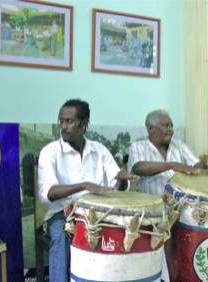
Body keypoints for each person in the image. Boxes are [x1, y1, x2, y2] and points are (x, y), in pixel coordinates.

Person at [38, 99, 137, 282]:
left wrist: (122, 180)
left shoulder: (99, 151)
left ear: (84, 124)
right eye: (61, 121)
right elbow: (46, 194)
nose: (63, 126)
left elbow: (118, 188)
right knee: (61, 236)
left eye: (69, 121)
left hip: (99, 214)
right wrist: (83, 186)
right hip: (64, 215)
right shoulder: (50, 152)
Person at [127, 110, 208, 197]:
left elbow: (194, 167)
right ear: (151, 128)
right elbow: (138, 168)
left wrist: (204, 163)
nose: (170, 130)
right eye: (166, 126)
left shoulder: (179, 145)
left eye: (171, 126)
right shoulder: (138, 146)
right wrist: (172, 165)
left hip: (179, 206)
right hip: (152, 207)